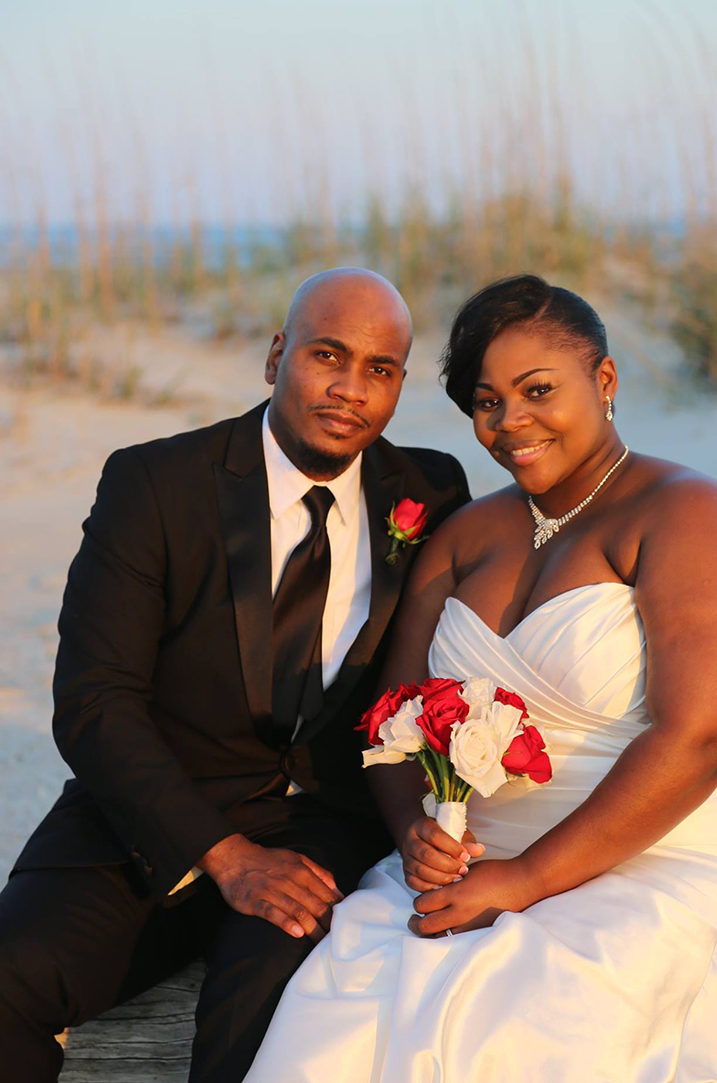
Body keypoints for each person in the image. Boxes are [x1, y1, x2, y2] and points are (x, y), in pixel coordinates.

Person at [245, 274, 717, 1083]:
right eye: (485, 402)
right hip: (468, 865)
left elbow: (703, 736)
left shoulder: (687, 513)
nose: (511, 423)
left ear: (604, 382)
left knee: (536, 1025)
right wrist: (416, 837)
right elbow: (394, 715)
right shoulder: (466, 534)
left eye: (538, 390)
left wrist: (523, 882)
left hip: (654, 853)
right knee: (335, 1020)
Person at [0, 268, 471, 1083]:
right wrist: (224, 855)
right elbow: (93, 702)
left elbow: (537, 572)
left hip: (326, 825)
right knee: (8, 979)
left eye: (381, 370)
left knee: (262, 1018)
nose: (350, 389)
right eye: (328, 355)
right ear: (276, 356)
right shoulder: (155, 484)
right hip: (149, 813)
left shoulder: (430, 490)